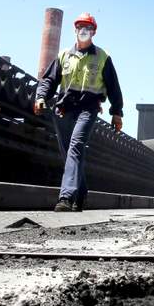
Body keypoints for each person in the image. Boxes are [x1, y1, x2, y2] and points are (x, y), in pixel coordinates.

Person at [34, 12, 123, 212]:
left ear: (94, 32)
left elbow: (113, 87)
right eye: (81, 27)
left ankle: (65, 197)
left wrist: (116, 112)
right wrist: (41, 96)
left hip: (88, 109)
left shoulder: (102, 57)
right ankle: (81, 194)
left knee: (75, 146)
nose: (84, 31)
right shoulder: (64, 55)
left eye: (88, 28)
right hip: (64, 109)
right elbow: (49, 79)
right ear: (75, 30)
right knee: (69, 153)